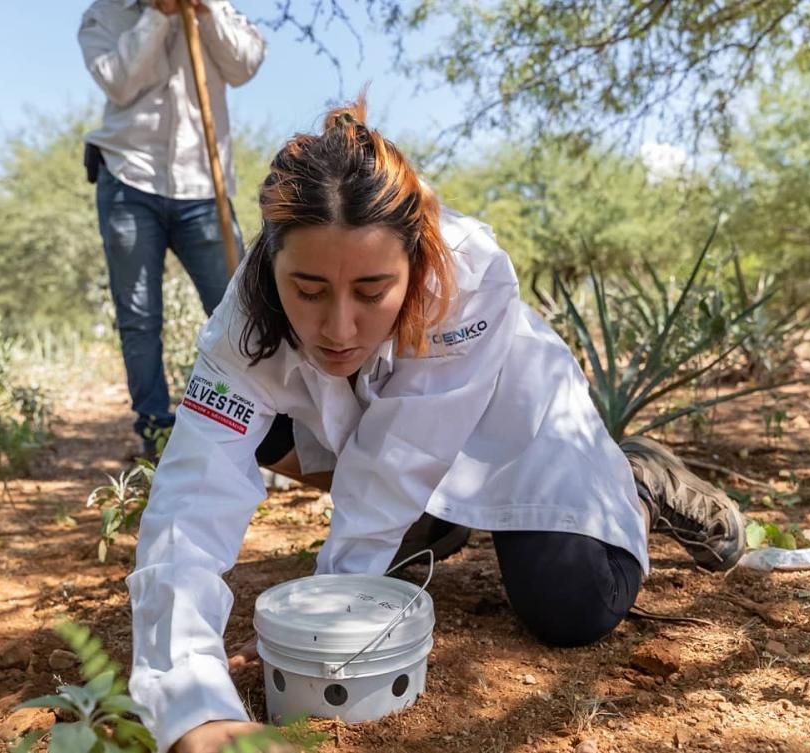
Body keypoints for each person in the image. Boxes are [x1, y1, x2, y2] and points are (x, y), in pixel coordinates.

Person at [126, 100, 747, 753]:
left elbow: (403, 454)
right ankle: (441, 519)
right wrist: (190, 701)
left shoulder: (471, 278)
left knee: (572, 603)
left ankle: (636, 478)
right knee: (299, 474)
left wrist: (322, 615)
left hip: (510, 420)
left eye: (372, 291)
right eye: (307, 290)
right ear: (271, 261)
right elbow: (190, 501)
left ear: (415, 265)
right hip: (385, 435)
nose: (338, 329)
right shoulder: (242, 325)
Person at [78, 0, 266, 456]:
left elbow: (245, 64)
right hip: (128, 178)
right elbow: (120, 82)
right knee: (139, 317)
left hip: (204, 184)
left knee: (240, 308)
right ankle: (156, 433)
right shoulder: (102, 15)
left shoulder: (217, 6)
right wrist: (159, 16)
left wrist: (205, 13)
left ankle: (265, 430)